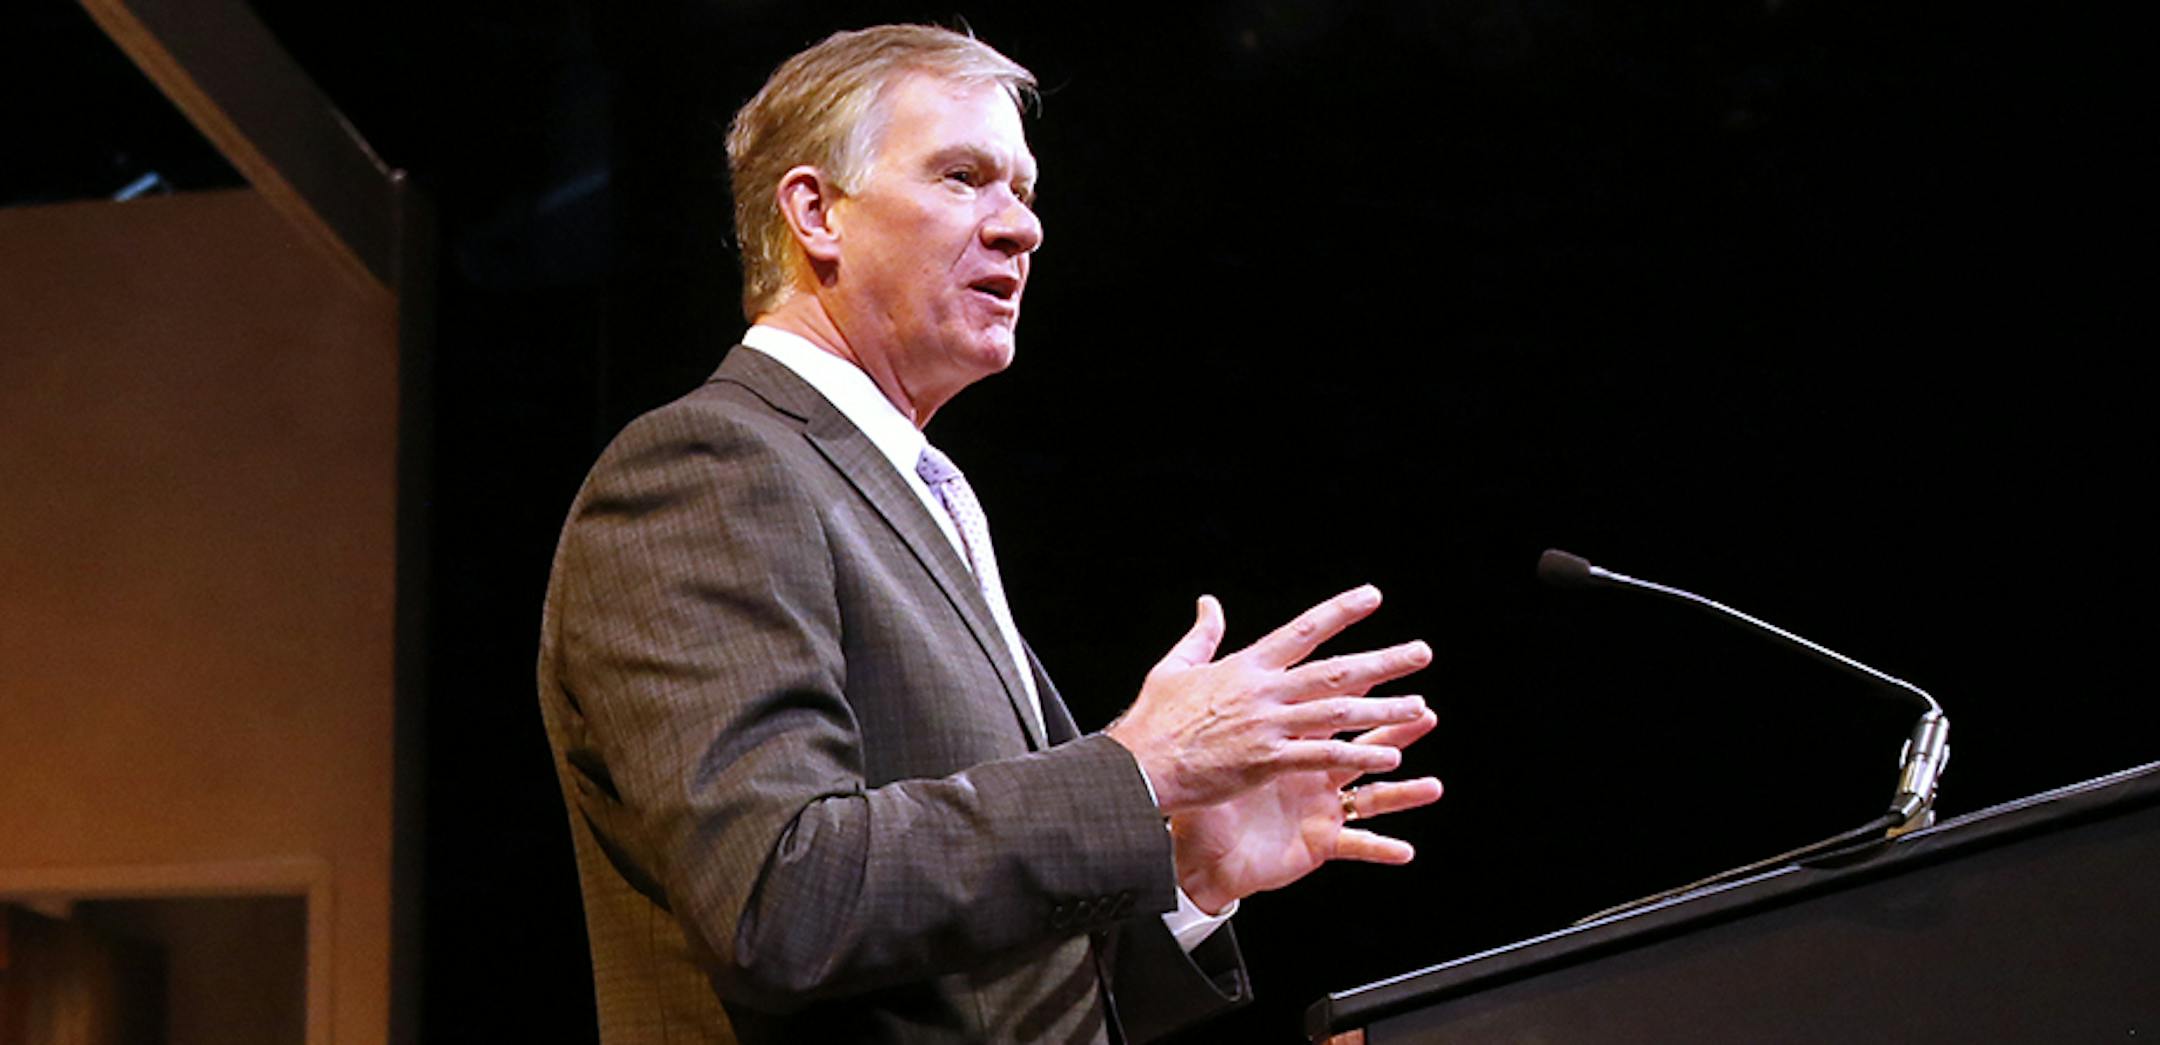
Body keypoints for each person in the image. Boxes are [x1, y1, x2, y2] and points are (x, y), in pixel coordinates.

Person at [535, 24, 1442, 1044]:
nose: (1023, 230)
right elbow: (777, 899)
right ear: (815, 211)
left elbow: (985, 994)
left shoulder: (915, 491)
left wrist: (1180, 861)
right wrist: (1132, 775)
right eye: (965, 178)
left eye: (1027, 192)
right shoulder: (710, 468)